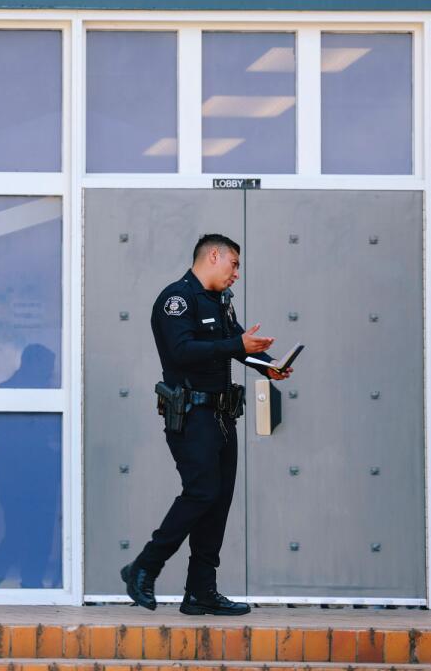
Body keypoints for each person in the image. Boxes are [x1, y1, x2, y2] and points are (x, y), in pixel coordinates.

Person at [121, 233, 293, 616]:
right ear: (213, 256)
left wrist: (270, 366)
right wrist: (238, 347)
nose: (236, 275)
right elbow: (182, 352)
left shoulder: (220, 302)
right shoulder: (176, 300)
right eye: (234, 265)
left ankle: (200, 591)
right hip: (192, 414)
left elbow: (236, 344)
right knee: (201, 492)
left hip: (222, 416)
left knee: (217, 501)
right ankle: (144, 567)